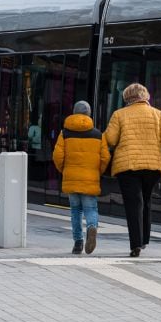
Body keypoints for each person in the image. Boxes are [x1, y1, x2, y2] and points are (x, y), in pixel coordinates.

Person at [104, 83, 161, 257]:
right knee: (146, 200)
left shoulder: (119, 115)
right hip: (152, 167)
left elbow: (110, 140)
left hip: (127, 167)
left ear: (127, 98)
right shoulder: (157, 115)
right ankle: (144, 240)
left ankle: (135, 244)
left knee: (133, 204)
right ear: (146, 96)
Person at [52, 100, 111, 255]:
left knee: (75, 211)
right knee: (90, 208)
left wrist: (64, 170)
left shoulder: (64, 134)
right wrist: (97, 171)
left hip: (71, 177)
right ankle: (92, 227)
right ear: (89, 114)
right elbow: (105, 157)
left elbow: (57, 156)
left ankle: (78, 243)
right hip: (90, 179)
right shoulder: (98, 134)